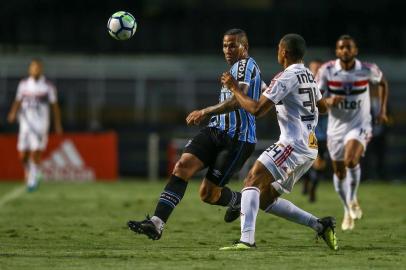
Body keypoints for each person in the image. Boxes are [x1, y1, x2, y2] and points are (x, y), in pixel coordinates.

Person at [127, 29, 263, 240]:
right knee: (182, 167)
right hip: (215, 130)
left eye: (233, 45)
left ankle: (238, 200)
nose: (227, 50)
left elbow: (238, 100)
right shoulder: (237, 69)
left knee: (208, 194)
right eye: (225, 45)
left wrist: (204, 111)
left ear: (244, 47)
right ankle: (156, 223)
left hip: (237, 139)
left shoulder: (245, 65)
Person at [219, 33, 339, 251]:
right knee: (264, 199)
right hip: (309, 148)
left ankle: (247, 241)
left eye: (278, 49)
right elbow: (322, 107)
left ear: (283, 52)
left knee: (251, 180)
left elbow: (256, 110)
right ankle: (321, 225)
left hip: (293, 145)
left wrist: (234, 88)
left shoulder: (285, 77)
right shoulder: (308, 75)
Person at [316, 35, 389, 230]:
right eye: (341, 48)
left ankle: (353, 198)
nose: (345, 51)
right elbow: (315, 97)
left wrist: (381, 110)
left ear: (355, 50)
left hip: (360, 125)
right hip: (336, 128)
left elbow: (382, 83)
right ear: (337, 51)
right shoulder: (327, 70)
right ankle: (347, 209)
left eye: (349, 48)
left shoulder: (367, 69)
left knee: (351, 160)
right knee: (339, 172)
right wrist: (329, 102)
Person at [7, 59, 63, 191]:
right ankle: (31, 171)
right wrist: (13, 113)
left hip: (40, 124)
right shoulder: (23, 84)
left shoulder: (48, 86)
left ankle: (32, 180)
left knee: (35, 151)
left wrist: (58, 123)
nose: (35, 69)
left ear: (41, 69)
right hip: (25, 123)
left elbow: (55, 106)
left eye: (38, 67)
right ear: (30, 69)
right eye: (33, 67)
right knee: (22, 155)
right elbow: (18, 100)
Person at [301, 59, 328, 202]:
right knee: (308, 160)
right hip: (308, 130)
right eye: (314, 69)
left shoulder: (327, 85)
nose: (316, 71)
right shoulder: (304, 85)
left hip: (324, 131)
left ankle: (312, 187)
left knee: (320, 163)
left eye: (319, 68)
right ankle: (307, 182)